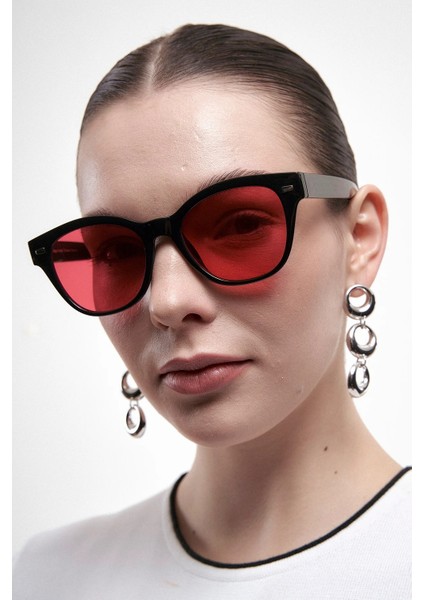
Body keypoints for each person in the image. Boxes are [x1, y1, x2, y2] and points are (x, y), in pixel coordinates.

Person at [14, 23, 411, 599]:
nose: (168, 302)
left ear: (359, 238)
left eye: (241, 225)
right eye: (117, 251)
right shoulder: (47, 577)